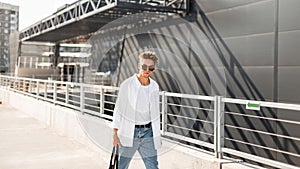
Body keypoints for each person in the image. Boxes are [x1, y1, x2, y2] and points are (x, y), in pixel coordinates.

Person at [112, 51, 161, 169]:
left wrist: (157, 136)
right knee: (121, 166)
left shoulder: (154, 86)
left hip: (148, 133)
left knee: (153, 166)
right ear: (139, 66)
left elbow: (155, 113)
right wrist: (115, 134)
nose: (147, 70)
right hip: (130, 132)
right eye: (144, 66)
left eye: (151, 67)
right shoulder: (127, 85)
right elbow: (118, 109)